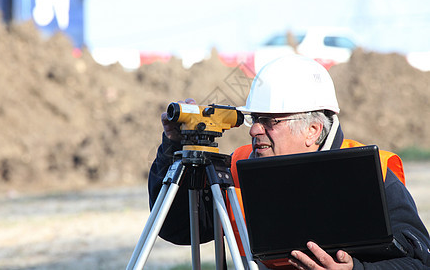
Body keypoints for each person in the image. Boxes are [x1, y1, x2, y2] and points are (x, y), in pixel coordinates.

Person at [148, 54, 430, 269]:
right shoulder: (236, 170)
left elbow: (420, 260)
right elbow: (177, 227)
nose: (255, 129)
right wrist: (173, 146)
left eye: (270, 121)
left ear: (313, 130)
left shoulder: (371, 172)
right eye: (255, 119)